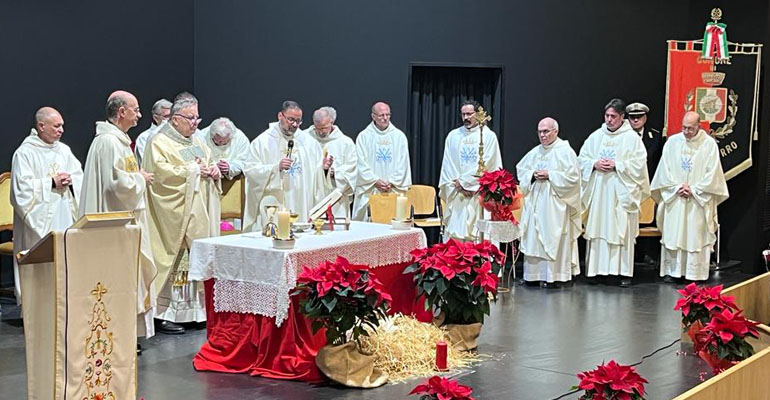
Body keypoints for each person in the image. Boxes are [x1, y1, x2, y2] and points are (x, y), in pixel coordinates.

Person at [79, 90, 158, 338]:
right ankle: (117, 334)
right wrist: (141, 179)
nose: (140, 115)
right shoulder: (110, 142)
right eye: (136, 110)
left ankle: (125, 334)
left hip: (124, 222)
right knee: (117, 279)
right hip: (115, 225)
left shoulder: (117, 140)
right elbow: (117, 185)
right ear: (122, 112)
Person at [144, 93, 221, 334]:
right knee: (177, 258)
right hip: (176, 213)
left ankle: (197, 312)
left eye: (197, 118)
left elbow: (207, 161)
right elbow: (161, 176)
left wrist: (213, 171)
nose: (195, 123)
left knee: (197, 256)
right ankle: (166, 313)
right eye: (190, 118)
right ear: (175, 119)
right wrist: (193, 171)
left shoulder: (197, 141)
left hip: (199, 211)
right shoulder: (159, 142)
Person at [10, 107, 83, 303]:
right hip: (39, 221)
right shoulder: (24, 153)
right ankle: (37, 307)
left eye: (62, 126)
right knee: (42, 265)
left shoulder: (64, 150)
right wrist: (50, 182)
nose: (61, 130)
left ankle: (65, 304)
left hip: (64, 214)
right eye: (56, 126)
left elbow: (79, 175)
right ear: (41, 126)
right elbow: (21, 190)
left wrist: (71, 180)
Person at [579, 98, 650, 287]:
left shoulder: (632, 138)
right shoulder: (596, 137)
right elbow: (581, 159)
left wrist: (618, 165)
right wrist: (594, 164)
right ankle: (596, 271)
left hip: (621, 194)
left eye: (613, 116)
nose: (609, 120)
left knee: (621, 229)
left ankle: (622, 272)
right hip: (600, 193)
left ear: (622, 117)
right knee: (598, 229)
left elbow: (639, 165)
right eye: (607, 116)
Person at [651, 111, 728, 282]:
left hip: (697, 200)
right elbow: (664, 171)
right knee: (674, 234)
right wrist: (676, 187)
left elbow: (713, 174)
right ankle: (673, 271)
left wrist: (694, 190)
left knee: (695, 236)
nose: (686, 131)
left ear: (699, 126)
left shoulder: (709, 144)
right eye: (684, 127)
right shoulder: (672, 143)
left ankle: (694, 273)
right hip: (676, 197)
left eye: (691, 128)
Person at [516, 117, 581, 288]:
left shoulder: (565, 151)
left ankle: (554, 276)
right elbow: (521, 169)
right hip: (536, 202)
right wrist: (532, 175)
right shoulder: (535, 152)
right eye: (540, 132)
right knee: (534, 237)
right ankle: (533, 276)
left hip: (555, 205)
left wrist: (550, 175)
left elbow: (573, 178)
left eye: (546, 131)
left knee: (553, 236)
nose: (542, 135)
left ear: (555, 131)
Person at [242, 101, 325, 232]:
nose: (295, 125)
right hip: (274, 202)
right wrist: (276, 168)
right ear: (280, 116)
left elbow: (317, 175)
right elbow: (251, 171)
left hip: (301, 201)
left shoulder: (309, 143)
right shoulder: (262, 142)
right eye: (291, 119)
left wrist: (325, 169)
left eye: (298, 121)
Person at [438, 100, 502, 241]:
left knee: (478, 236)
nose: (466, 117)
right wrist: (459, 185)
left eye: (469, 114)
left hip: (478, 193)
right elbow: (448, 164)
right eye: (463, 114)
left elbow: (488, 163)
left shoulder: (488, 136)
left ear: (478, 114)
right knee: (457, 237)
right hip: (457, 193)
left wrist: (466, 183)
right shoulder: (453, 136)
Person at [351, 102, 412, 221]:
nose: (385, 118)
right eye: (381, 115)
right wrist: (375, 181)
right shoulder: (364, 137)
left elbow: (403, 164)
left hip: (392, 188)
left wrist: (392, 181)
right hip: (371, 189)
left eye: (387, 115)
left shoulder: (399, 136)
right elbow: (360, 163)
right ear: (373, 116)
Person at [303, 106, 357, 218]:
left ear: (332, 122)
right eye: (317, 128)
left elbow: (351, 171)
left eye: (324, 128)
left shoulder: (345, 143)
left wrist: (333, 172)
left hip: (336, 198)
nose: (321, 132)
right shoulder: (305, 139)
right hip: (310, 195)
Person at [626, 102, 664, 176]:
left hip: (649, 177)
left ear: (645, 118)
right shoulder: (623, 136)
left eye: (639, 116)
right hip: (628, 178)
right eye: (632, 117)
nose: (636, 120)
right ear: (628, 119)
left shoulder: (656, 137)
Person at [135, 98, 171, 166]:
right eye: (167, 116)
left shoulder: (178, 135)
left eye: (172, 116)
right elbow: (147, 164)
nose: (170, 119)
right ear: (156, 118)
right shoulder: (144, 138)